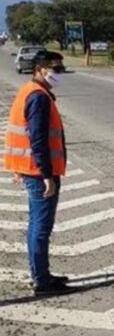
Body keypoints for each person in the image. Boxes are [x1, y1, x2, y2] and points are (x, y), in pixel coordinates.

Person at [4, 50, 73, 296]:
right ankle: (42, 281)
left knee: (36, 225)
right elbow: (38, 138)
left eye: (61, 68)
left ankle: (41, 274)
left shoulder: (31, 91)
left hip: (30, 169)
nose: (59, 73)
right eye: (55, 69)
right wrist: (46, 175)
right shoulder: (38, 97)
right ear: (40, 69)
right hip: (40, 172)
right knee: (41, 227)